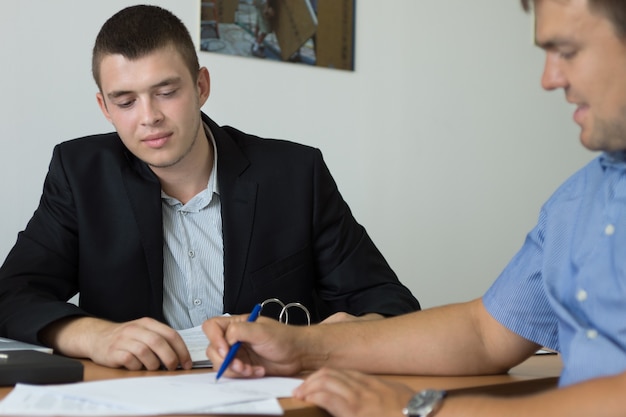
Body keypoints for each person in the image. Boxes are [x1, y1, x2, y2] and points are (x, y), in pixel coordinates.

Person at [203, 0, 626, 415]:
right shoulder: (578, 200)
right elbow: (484, 333)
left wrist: (419, 410)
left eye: (567, 52)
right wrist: (300, 347)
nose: (549, 78)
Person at [0, 5, 420, 372]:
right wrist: (94, 336)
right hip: (136, 399)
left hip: (275, 397)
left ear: (201, 86)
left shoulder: (295, 174)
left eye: (166, 92)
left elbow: (388, 301)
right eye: (125, 102)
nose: (149, 117)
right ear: (104, 108)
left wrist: (341, 337)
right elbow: (12, 294)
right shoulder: (80, 174)